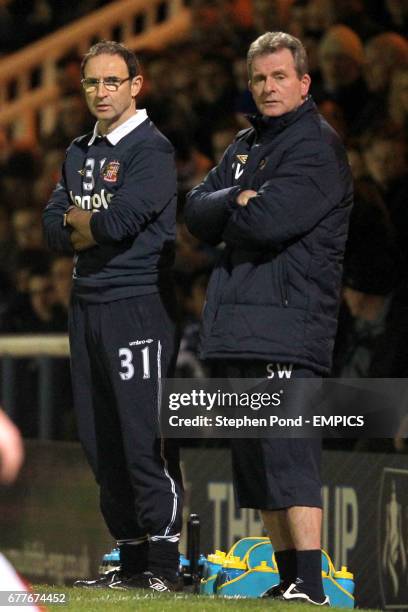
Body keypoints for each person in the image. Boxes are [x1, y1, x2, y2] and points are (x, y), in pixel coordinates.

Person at [185, 31, 353, 606]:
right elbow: (194, 210)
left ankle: (311, 584)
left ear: (304, 83)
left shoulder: (315, 147)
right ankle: (288, 580)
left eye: (279, 76)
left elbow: (270, 222)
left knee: (287, 455)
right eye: (259, 78)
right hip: (241, 324)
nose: (268, 87)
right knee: (258, 463)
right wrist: (237, 197)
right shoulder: (245, 145)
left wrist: (231, 204)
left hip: (288, 323)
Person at [42, 41, 183, 592]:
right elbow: (54, 228)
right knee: (100, 441)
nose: (101, 93)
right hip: (86, 305)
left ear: (135, 86)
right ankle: (128, 564)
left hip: (136, 307)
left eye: (111, 82)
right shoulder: (78, 150)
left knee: (139, 436)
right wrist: (84, 223)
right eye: (92, 83)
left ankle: (165, 569)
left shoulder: (152, 149)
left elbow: (117, 224)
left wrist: (84, 220)